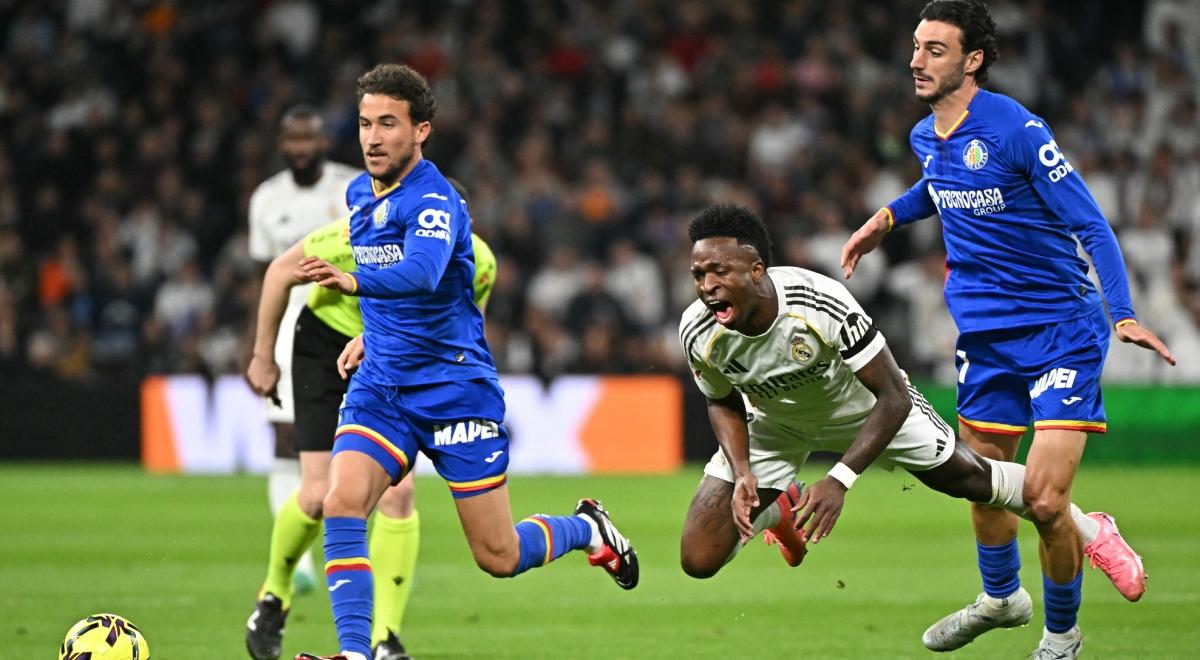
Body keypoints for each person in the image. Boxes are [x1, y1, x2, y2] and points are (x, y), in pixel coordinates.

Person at [839, 1, 1176, 657]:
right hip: (984, 339)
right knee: (979, 478)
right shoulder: (924, 137)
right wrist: (884, 219)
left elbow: (1091, 224)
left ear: (974, 60)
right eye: (916, 46)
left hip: (1060, 331)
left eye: (935, 49)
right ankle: (1000, 598)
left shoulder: (1018, 129)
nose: (916, 59)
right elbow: (936, 188)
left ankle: (1062, 635)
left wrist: (1124, 312)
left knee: (1046, 503)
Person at [677, 205, 1145, 653]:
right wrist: (743, 473)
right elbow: (721, 400)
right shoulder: (698, 330)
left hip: (867, 410)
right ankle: (780, 508)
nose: (707, 286)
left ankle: (1091, 527)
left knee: (974, 481)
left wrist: (840, 479)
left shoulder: (816, 302)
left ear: (756, 270)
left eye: (719, 271)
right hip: (776, 424)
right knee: (699, 558)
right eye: (700, 275)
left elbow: (893, 396)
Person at [291, 64, 637, 660]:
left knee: (497, 556)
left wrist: (351, 281)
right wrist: (373, 336)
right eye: (365, 124)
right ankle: (354, 653)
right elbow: (406, 293)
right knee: (340, 501)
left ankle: (587, 529)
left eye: (389, 125)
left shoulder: (435, 199)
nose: (373, 138)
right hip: (383, 388)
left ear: (420, 130)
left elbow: (424, 274)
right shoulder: (356, 194)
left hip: (454, 389)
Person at [243, 181, 498, 660]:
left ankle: (385, 638)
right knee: (320, 495)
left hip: (397, 363)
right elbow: (279, 272)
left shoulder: (479, 263)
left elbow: (464, 328)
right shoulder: (351, 237)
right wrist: (262, 356)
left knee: (399, 494)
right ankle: (274, 595)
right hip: (325, 348)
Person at [247, 105, 361, 595]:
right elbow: (263, 274)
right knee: (286, 440)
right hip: (292, 331)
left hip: (346, 323)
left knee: (356, 449)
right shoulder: (266, 199)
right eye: (291, 139)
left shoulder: (353, 187)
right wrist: (259, 346)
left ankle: (361, 554)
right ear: (281, 144)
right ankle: (301, 563)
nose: (299, 148)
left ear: (323, 141)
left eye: (307, 138)